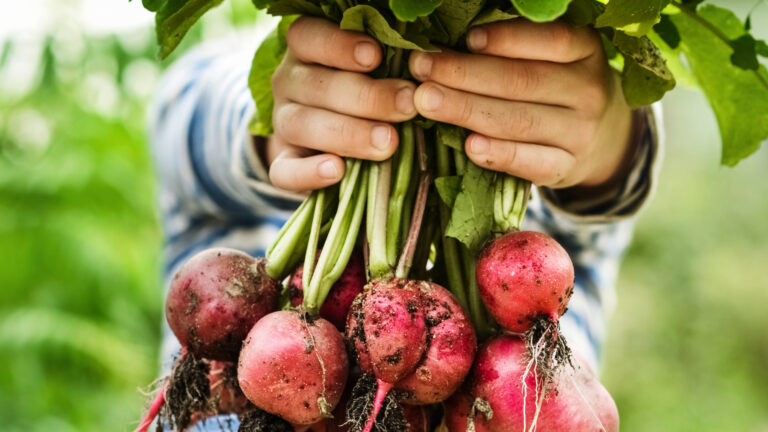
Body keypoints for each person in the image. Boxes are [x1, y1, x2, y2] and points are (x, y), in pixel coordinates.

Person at [150, 16, 661, 431]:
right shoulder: (250, 65)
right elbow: (174, 112)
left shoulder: (547, 239)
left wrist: (609, 140)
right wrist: (271, 132)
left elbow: (597, 213)